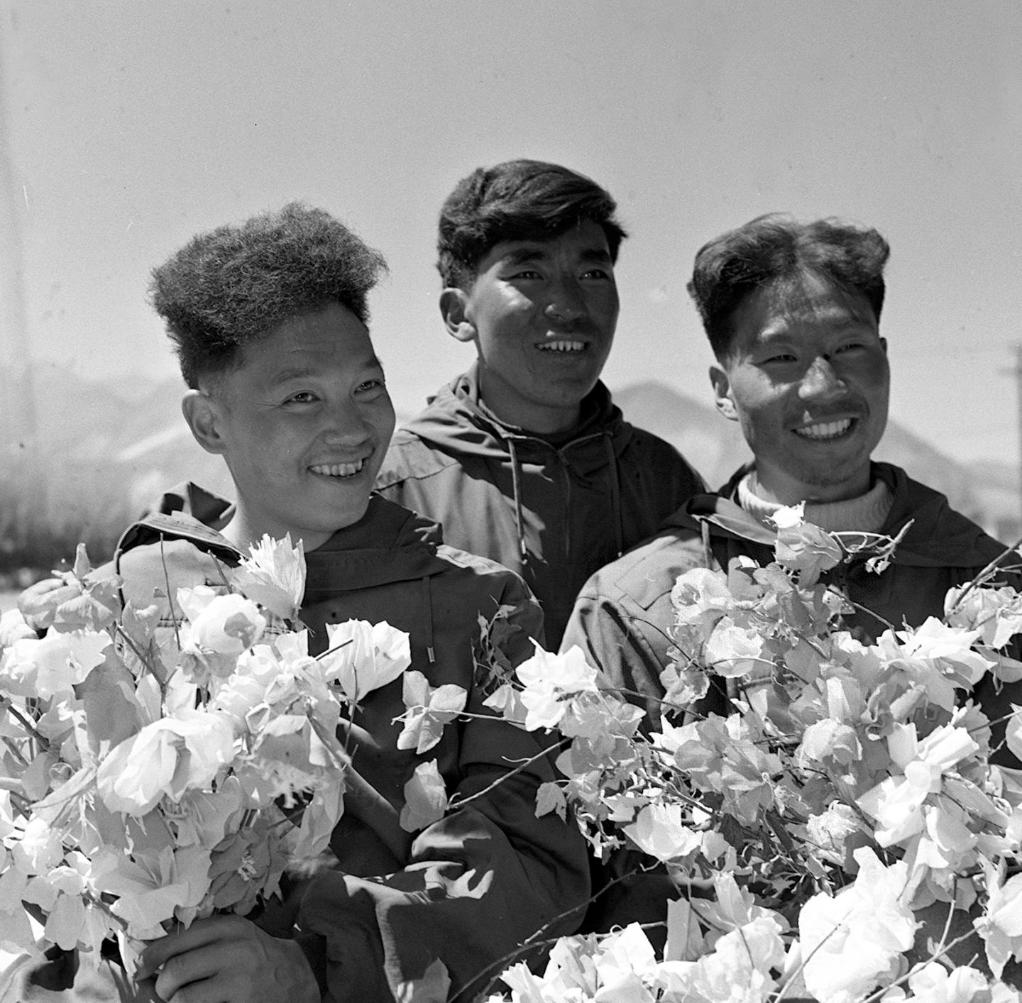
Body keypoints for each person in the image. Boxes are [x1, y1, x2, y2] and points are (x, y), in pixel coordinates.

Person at [18, 203, 590, 1003]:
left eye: (367, 387)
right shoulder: (128, 598)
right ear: (208, 422)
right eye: (301, 399)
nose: (351, 428)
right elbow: (55, 854)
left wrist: (313, 966)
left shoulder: (481, 605)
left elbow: (529, 860)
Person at [563, 213, 1022, 735]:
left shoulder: (992, 588)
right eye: (782, 357)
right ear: (723, 390)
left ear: (885, 357)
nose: (823, 386)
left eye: (849, 348)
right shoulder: (641, 607)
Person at [373, 159, 704, 646]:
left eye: (592, 273)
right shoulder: (392, 492)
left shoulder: (664, 481)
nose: (568, 306)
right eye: (529, 273)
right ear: (458, 313)